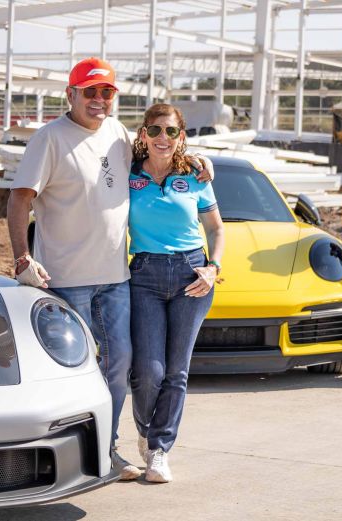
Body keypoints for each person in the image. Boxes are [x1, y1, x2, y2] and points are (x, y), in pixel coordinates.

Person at [6, 58, 212, 481]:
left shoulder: (119, 134)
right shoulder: (49, 139)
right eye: (90, 91)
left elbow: (164, 153)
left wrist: (200, 158)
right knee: (70, 371)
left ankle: (108, 450)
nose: (98, 99)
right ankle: (62, 456)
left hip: (118, 279)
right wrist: (23, 259)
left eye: (106, 92)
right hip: (64, 279)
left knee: (121, 365)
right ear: (71, 94)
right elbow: (19, 200)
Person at [127, 103, 224, 483]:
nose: (162, 138)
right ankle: (145, 430)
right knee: (148, 372)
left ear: (181, 136)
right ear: (143, 134)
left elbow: (217, 229)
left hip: (192, 274)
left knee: (177, 371)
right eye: (154, 130)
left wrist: (213, 268)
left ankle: (159, 450)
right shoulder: (128, 173)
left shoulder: (196, 176)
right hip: (145, 275)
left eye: (170, 131)